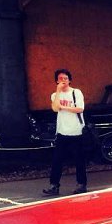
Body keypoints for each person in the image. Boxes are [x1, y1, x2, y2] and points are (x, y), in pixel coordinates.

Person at [42, 68, 88, 196]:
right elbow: (55, 108)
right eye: (60, 78)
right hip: (62, 132)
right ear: (56, 81)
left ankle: (81, 184)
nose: (63, 81)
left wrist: (63, 107)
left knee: (79, 159)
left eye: (65, 78)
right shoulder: (54, 95)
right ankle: (54, 185)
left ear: (70, 80)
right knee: (57, 160)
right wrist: (58, 91)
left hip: (76, 131)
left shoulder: (76, 92)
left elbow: (80, 108)